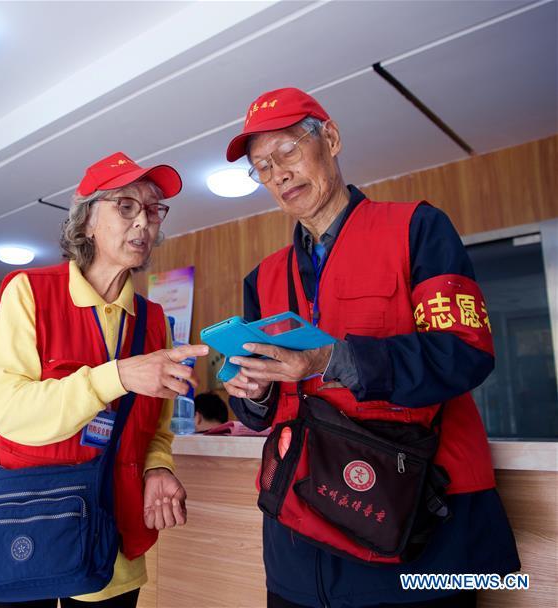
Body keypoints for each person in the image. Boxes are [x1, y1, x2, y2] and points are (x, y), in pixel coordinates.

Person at [222, 87, 519, 607]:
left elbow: (465, 351)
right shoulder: (263, 277)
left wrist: (331, 360)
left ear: (331, 139)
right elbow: (257, 411)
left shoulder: (417, 227)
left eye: (288, 151)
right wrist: (252, 391)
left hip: (419, 526)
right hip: (297, 539)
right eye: (262, 167)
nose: (279, 174)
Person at [0, 152, 208, 607]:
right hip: (26, 522)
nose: (143, 221)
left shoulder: (153, 322)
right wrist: (116, 376)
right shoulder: (29, 292)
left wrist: (158, 467)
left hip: (113, 530)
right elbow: (9, 411)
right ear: (86, 223)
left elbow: (156, 429)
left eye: (152, 210)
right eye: (126, 206)